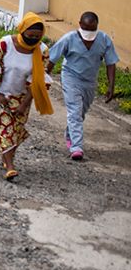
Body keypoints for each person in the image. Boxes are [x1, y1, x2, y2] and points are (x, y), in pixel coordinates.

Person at [0, 12, 53, 181]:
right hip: (1, 93)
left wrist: (25, 104)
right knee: (6, 128)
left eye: (37, 37)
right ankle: (10, 167)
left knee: (16, 129)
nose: (33, 39)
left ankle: (7, 157)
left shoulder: (42, 51)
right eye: (30, 35)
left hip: (23, 96)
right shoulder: (5, 44)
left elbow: (37, 82)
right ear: (22, 30)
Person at [46, 11, 120, 161]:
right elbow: (52, 59)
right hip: (71, 77)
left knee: (81, 112)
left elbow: (110, 63)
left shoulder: (104, 39)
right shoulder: (69, 38)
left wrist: (111, 86)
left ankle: (70, 135)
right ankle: (76, 147)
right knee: (74, 110)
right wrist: (44, 77)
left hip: (90, 81)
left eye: (92, 29)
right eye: (86, 29)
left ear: (97, 26)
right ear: (80, 24)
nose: (89, 33)